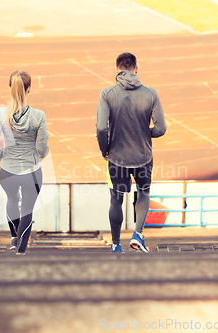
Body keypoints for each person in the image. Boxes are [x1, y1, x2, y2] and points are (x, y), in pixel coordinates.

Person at [96, 52, 166, 253]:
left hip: (117, 158)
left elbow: (102, 128)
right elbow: (161, 129)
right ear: (136, 69)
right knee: (144, 192)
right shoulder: (151, 93)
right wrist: (145, 133)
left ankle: (116, 245)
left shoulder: (107, 94)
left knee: (115, 199)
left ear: (117, 70)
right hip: (144, 157)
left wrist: (105, 150)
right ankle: (138, 234)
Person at [0, 70, 49, 255]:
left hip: (8, 170)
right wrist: (40, 155)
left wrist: (3, 155)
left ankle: (14, 238)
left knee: (12, 200)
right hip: (31, 170)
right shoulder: (38, 116)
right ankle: (20, 251)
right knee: (27, 210)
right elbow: (42, 148)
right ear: (29, 89)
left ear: (10, 89)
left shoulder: (1, 114)